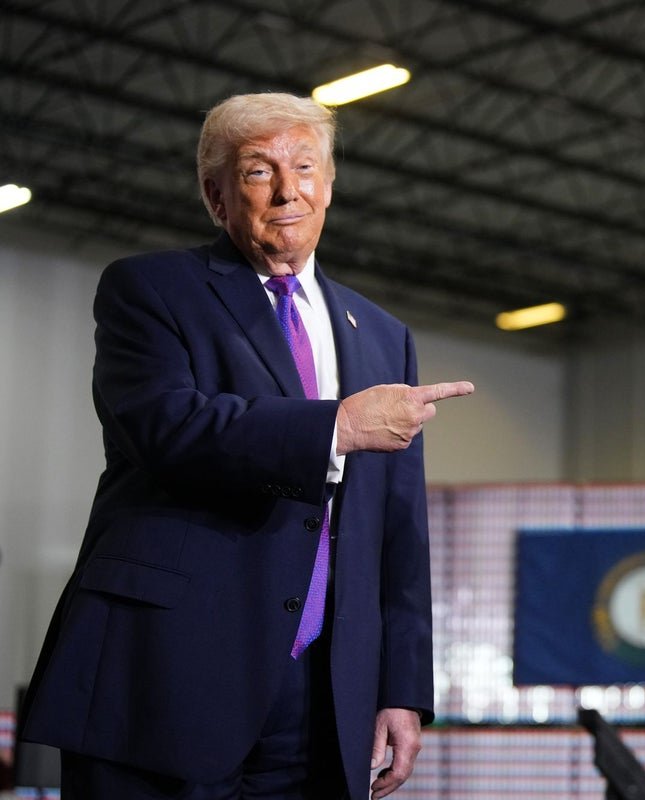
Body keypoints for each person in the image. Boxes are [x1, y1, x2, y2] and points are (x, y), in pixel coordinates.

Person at [18, 92, 474, 800]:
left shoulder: (384, 335)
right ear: (217, 197)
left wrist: (402, 687)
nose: (289, 189)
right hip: (165, 681)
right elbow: (169, 429)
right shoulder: (150, 290)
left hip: (324, 697)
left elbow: (398, 533)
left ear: (329, 183)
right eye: (260, 171)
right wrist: (336, 429)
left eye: (306, 166)